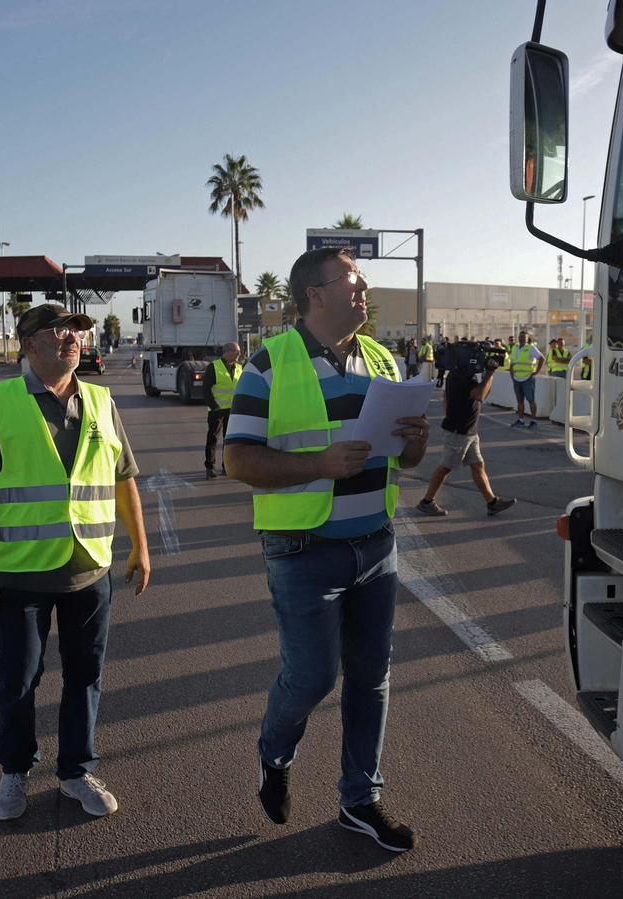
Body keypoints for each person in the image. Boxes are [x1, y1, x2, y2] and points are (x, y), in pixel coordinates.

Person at [224, 246, 430, 853]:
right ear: (316, 293)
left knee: (371, 679)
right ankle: (274, 754)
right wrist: (319, 462)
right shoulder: (269, 363)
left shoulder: (382, 359)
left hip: (377, 547)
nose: (363, 286)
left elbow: (406, 459)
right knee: (312, 677)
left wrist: (415, 441)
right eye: (352, 278)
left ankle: (360, 800)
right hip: (303, 551)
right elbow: (238, 458)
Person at [0, 303, 152, 823]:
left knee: (86, 675)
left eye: (78, 330)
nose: (72, 338)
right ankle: (14, 769)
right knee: (19, 678)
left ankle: (75, 771)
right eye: (59, 330)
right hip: (19, 577)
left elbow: (123, 477)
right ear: (28, 343)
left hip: (90, 569)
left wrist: (141, 546)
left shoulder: (103, 402)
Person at [416, 350, 516, 517]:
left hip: (467, 430)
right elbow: (480, 395)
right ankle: (427, 501)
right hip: (459, 431)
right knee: (445, 467)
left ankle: (492, 502)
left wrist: (487, 377)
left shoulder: (457, 374)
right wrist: (490, 374)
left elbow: (461, 396)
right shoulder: (463, 376)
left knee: (477, 465)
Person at [205, 341, 241, 479]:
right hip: (217, 410)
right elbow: (206, 389)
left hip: (233, 410)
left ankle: (226, 466)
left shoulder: (239, 368)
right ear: (226, 352)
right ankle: (210, 467)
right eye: (236, 351)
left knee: (229, 440)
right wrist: (214, 407)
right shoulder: (214, 367)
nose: (239, 354)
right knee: (213, 438)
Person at [506, 331, 546, 428]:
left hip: (527, 378)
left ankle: (533, 420)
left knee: (531, 400)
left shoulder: (531, 348)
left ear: (528, 339)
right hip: (517, 378)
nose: (522, 339)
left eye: (524, 337)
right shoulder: (515, 348)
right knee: (519, 400)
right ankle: (521, 419)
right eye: (520, 337)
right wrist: (512, 376)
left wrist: (536, 372)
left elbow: (542, 358)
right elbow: (512, 363)